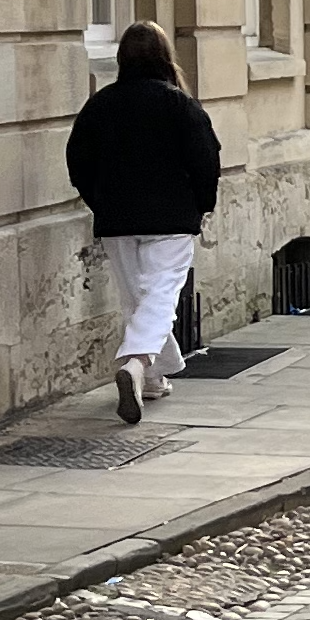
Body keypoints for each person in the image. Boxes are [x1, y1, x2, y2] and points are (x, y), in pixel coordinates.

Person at [65, 23, 223, 425]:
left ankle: (151, 381)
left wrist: (97, 200)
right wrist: (203, 204)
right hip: (171, 217)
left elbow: (77, 160)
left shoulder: (100, 105)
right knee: (158, 299)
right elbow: (206, 160)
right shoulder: (180, 105)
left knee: (138, 301)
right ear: (164, 56)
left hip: (117, 218)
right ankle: (135, 365)